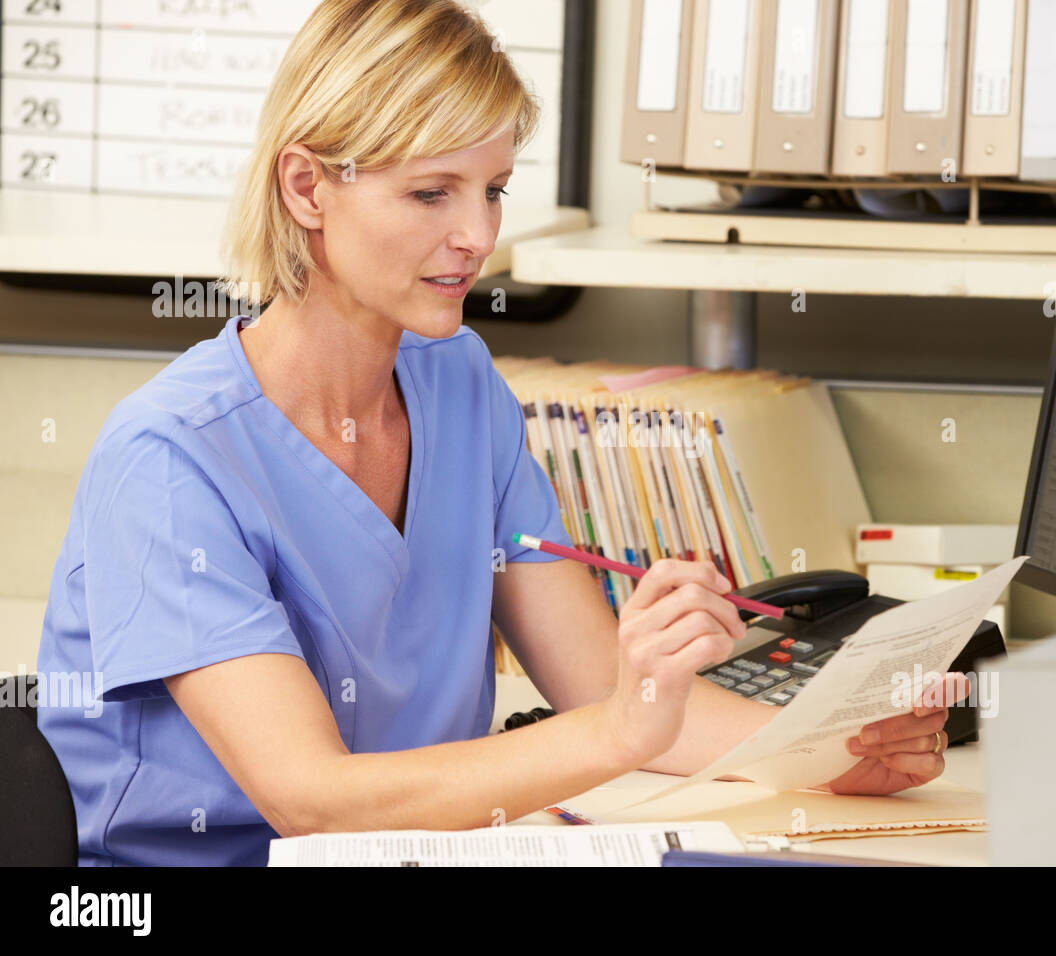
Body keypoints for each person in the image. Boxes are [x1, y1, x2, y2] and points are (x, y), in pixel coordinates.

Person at [36, 0, 968, 866]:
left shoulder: (458, 382)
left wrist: (822, 755)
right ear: (308, 187)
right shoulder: (169, 459)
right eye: (432, 194)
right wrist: (620, 731)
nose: (478, 235)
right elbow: (312, 804)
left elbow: (603, 683)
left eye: (493, 188)